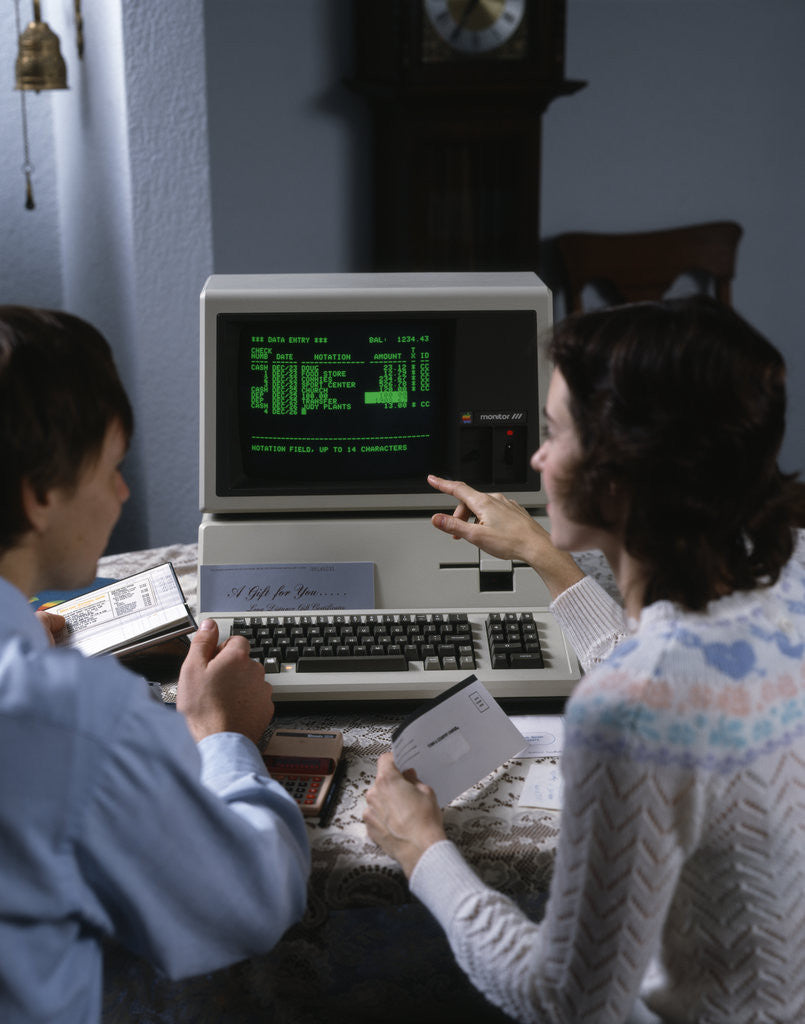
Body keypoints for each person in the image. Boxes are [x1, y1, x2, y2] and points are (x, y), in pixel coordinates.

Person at [364, 296, 805, 1023]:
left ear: (619, 471)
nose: (535, 456)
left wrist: (420, 847)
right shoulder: (786, 579)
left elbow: (564, 1002)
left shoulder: (628, 708)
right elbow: (682, 684)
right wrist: (547, 558)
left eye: (552, 433)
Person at [0, 307, 310, 1024]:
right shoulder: (66, 716)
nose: (123, 494)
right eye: (111, 467)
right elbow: (248, 904)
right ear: (38, 496)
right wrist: (221, 733)